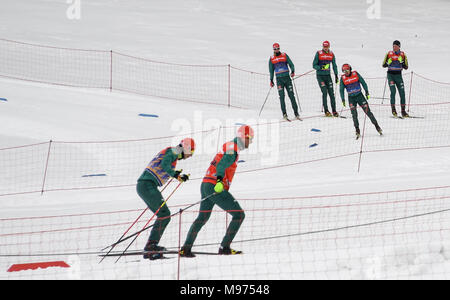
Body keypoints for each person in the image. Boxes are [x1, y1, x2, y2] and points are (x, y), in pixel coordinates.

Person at [179, 125, 253, 257]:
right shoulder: (233, 148)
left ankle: (186, 248)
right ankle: (224, 247)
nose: (251, 142)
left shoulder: (229, 145)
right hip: (215, 185)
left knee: (202, 217)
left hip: (205, 184)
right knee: (239, 215)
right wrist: (219, 180)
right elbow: (222, 165)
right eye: (250, 138)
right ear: (244, 137)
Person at [136, 138, 195, 260]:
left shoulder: (173, 153)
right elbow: (164, 165)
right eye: (191, 152)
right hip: (147, 185)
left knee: (164, 215)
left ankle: (152, 245)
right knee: (164, 214)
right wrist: (176, 175)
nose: (190, 156)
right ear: (186, 148)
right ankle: (151, 246)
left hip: (146, 185)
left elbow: (165, 165)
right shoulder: (174, 151)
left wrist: (176, 175)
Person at [340, 64, 382, 139]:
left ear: (350, 69)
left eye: (347, 70)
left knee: (368, 112)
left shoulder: (355, 74)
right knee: (354, 114)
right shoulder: (342, 78)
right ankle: (357, 130)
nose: (346, 72)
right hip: (351, 98)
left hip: (360, 96)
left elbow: (363, 82)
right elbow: (341, 89)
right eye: (344, 71)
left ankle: (377, 126)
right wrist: (343, 99)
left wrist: (366, 91)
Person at [268, 43, 301, 120]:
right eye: (275, 49)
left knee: (291, 96)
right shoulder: (272, 58)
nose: (276, 50)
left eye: (277, 48)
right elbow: (271, 70)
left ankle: (296, 113)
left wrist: (292, 71)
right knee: (282, 97)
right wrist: (271, 80)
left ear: (279, 48)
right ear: (273, 49)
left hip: (287, 78)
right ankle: (284, 114)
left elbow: (291, 64)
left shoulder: (284, 55)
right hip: (279, 80)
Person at [382, 40, 409, 117]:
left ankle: (403, 111)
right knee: (393, 92)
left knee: (402, 93)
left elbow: (406, 67)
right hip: (390, 75)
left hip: (398, 76)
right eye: (393, 46)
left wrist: (402, 62)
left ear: (399, 47)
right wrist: (388, 63)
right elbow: (383, 65)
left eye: (396, 46)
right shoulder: (389, 54)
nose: (394, 47)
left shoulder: (402, 54)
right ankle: (393, 110)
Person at [312, 40, 339, 117]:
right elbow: (314, 65)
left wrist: (336, 75)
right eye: (324, 47)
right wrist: (320, 67)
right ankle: (326, 110)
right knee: (324, 92)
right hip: (320, 76)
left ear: (329, 46)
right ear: (322, 46)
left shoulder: (331, 54)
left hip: (328, 76)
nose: (325, 48)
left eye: (327, 47)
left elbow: (334, 65)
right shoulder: (319, 53)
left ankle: (334, 110)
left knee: (331, 93)